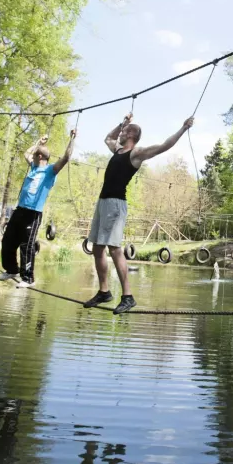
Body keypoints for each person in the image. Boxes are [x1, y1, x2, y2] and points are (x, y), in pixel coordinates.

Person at [82, 113, 194, 315]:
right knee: (98, 248)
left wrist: (183, 128)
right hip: (102, 202)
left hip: (116, 204)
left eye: (125, 130)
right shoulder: (117, 150)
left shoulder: (136, 154)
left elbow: (163, 146)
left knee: (114, 249)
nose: (121, 133)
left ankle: (128, 296)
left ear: (132, 134)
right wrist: (121, 123)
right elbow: (108, 138)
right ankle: (104, 291)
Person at [0, 130, 76, 286]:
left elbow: (66, 157)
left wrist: (72, 138)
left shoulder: (50, 171)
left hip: (33, 214)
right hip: (19, 210)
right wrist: (39, 143)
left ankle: (28, 278)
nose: (32, 157)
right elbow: (27, 153)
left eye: (35, 155)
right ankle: (12, 269)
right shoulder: (33, 167)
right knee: (7, 241)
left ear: (40, 157)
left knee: (26, 246)